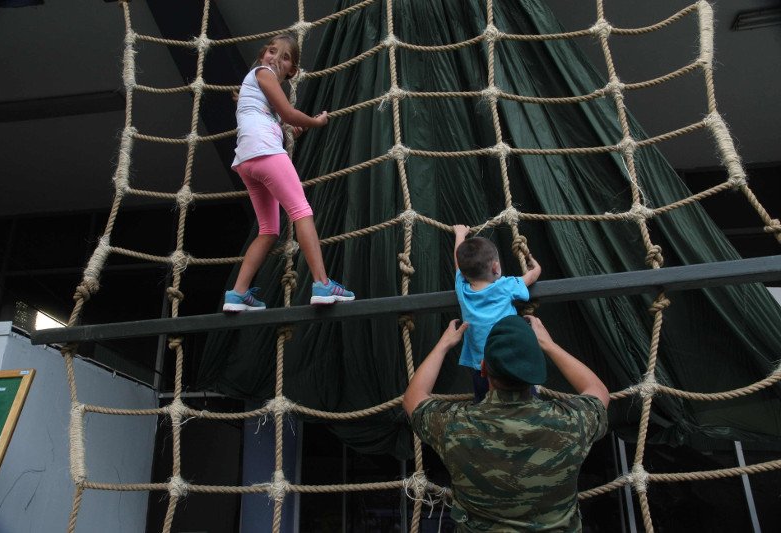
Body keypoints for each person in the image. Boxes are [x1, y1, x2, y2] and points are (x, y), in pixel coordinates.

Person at [404, 315, 609, 531]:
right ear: (537, 373)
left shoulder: (455, 427)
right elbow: (598, 391)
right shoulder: (572, 423)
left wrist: (444, 344)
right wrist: (549, 345)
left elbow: (413, 398)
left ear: (483, 369)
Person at [223, 34, 355, 312]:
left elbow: (274, 115)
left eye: (284, 56)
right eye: (272, 51)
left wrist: (284, 124)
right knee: (301, 211)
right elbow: (289, 112)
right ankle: (322, 283)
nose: (274, 58)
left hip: (247, 161)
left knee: (269, 230)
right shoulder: (262, 72)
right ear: (262, 55)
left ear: (292, 70)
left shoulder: (260, 92)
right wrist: (315, 122)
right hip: (265, 154)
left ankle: (237, 293)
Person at [452, 224, 541, 401]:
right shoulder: (505, 286)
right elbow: (531, 277)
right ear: (495, 268)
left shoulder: (462, 288)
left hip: (481, 366)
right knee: (526, 397)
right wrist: (536, 266)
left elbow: (458, 264)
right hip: (512, 360)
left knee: (483, 402)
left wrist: (459, 235)